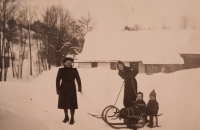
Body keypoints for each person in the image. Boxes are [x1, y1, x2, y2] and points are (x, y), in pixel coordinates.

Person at [56, 57, 82, 125]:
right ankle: (66, 117)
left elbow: (78, 79)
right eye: (67, 63)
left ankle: (72, 118)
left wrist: (79, 88)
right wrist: (58, 89)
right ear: (65, 63)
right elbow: (57, 80)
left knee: (72, 104)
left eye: (70, 63)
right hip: (63, 88)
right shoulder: (61, 70)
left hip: (72, 88)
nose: (69, 64)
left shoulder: (74, 70)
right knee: (64, 103)